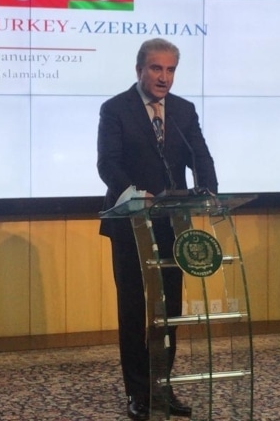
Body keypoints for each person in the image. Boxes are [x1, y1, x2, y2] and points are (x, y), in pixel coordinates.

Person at [97, 38, 218, 420]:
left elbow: (200, 155)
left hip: (172, 224)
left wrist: (210, 191)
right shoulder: (116, 109)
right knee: (135, 310)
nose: (163, 77)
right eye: (156, 69)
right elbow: (108, 163)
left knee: (169, 311)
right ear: (140, 70)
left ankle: (161, 387)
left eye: (170, 70)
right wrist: (135, 193)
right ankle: (138, 392)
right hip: (130, 223)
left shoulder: (183, 110)